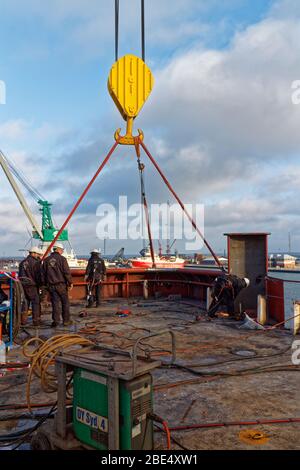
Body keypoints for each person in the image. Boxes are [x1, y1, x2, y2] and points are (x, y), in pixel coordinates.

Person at [43, 242, 73, 327]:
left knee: (55, 303)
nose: (63, 251)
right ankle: (66, 321)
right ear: (58, 249)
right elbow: (66, 272)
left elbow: (43, 274)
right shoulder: (62, 259)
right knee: (65, 303)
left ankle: (56, 321)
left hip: (51, 286)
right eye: (62, 250)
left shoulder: (46, 260)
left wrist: (45, 285)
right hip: (61, 285)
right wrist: (70, 282)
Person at [18, 247, 42, 326]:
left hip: (23, 286)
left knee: (25, 303)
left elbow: (20, 275)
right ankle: (36, 321)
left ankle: (23, 321)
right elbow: (38, 276)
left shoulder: (22, 263)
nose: (38, 255)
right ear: (34, 253)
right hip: (32, 286)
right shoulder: (35, 262)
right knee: (35, 303)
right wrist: (41, 285)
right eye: (37, 254)